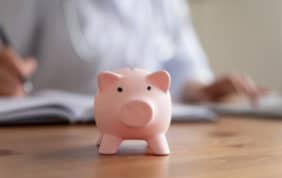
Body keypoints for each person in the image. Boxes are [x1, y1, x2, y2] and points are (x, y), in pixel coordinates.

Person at [0, 0, 265, 102]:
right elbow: (9, 58)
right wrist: (7, 77)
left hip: (145, 136)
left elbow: (181, 68)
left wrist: (203, 90)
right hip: (52, 140)